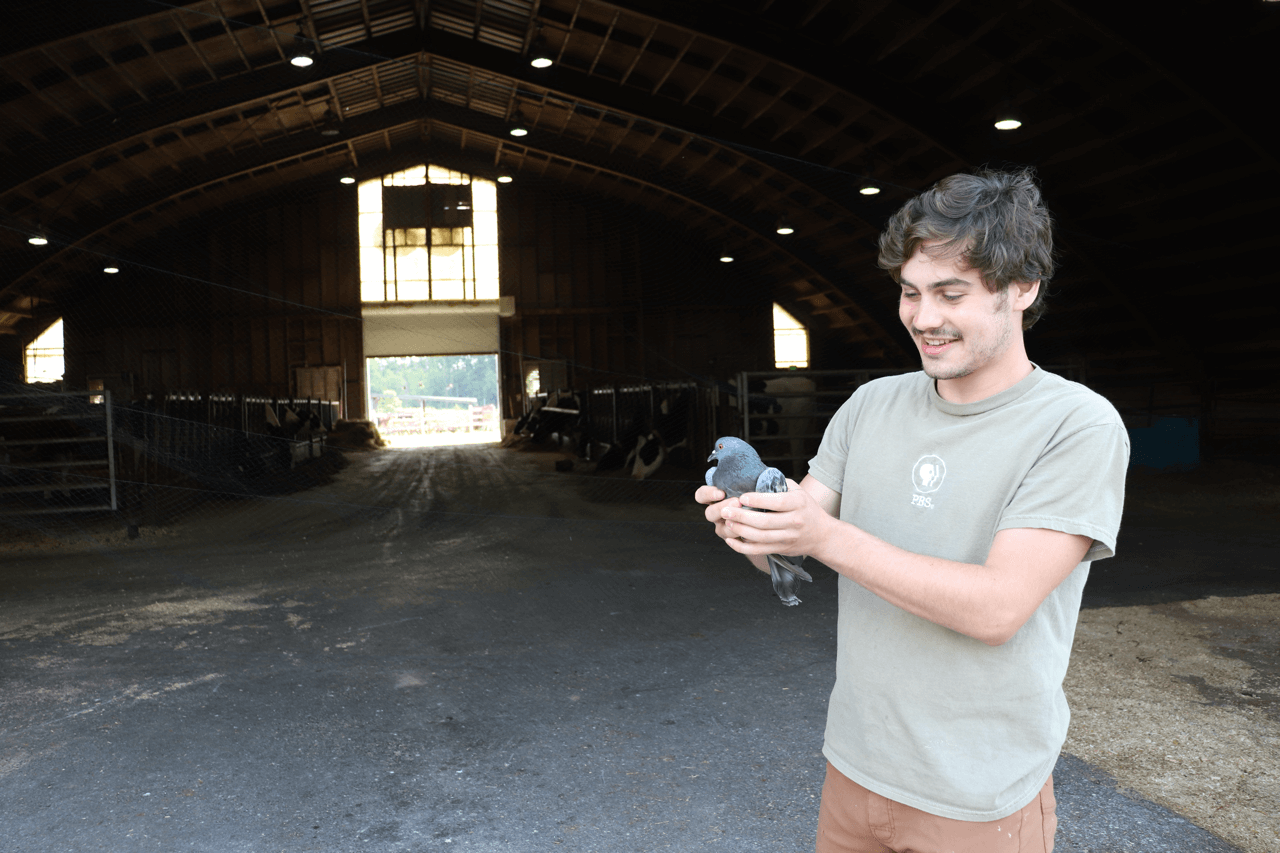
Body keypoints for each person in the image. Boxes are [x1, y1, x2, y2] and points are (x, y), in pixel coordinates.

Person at [695, 169, 1128, 853]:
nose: (923, 318)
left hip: (976, 798)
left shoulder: (1075, 425)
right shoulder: (871, 404)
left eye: (951, 294)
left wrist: (821, 535)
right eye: (910, 291)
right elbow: (796, 537)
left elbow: (997, 609)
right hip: (854, 769)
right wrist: (752, 524)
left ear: (1023, 287)